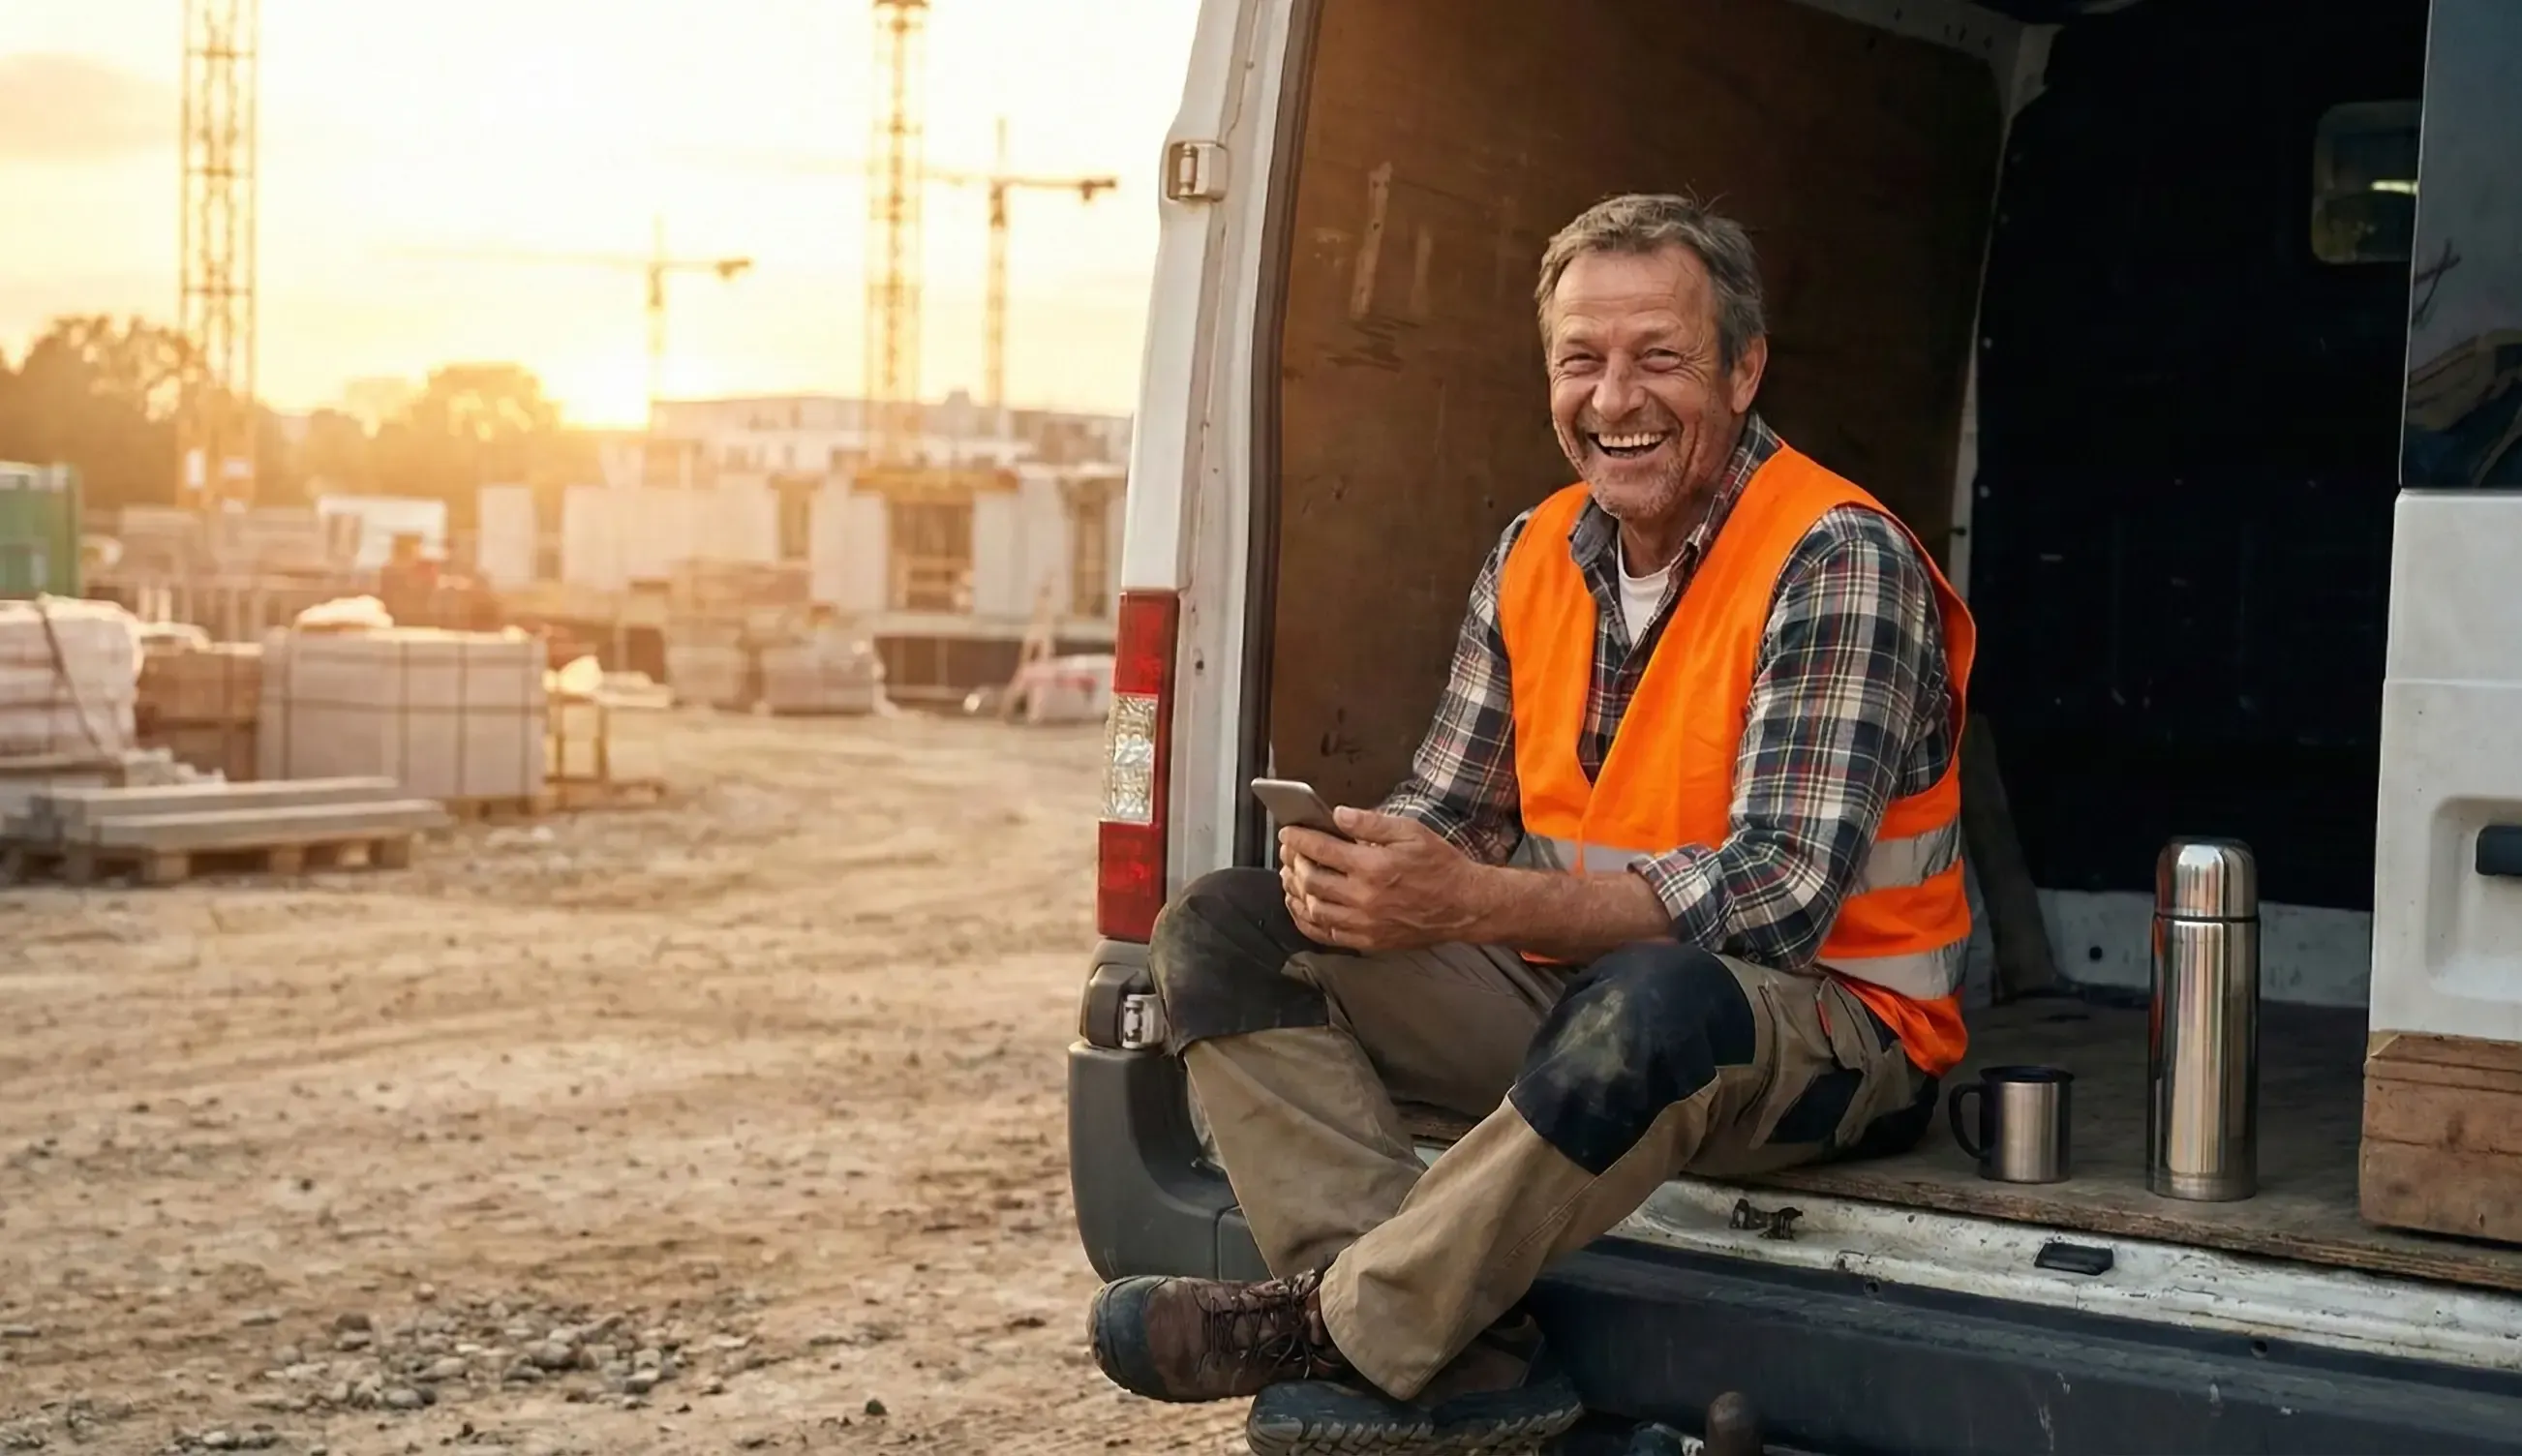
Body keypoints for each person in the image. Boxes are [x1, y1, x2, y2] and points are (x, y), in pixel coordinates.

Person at [1087, 193, 1978, 1452]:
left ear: (1743, 371)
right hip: (1586, 1017)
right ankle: (1455, 1358)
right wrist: (1373, 871)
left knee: (1657, 998)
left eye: (1660, 356)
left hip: (1833, 1042)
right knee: (1225, 929)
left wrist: (1472, 902)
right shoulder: (1534, 551)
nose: (1615, 398)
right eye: (1581, 360)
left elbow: (1777, 898)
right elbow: (1454, 811)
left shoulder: (1837, 556)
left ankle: (1332, 1326)